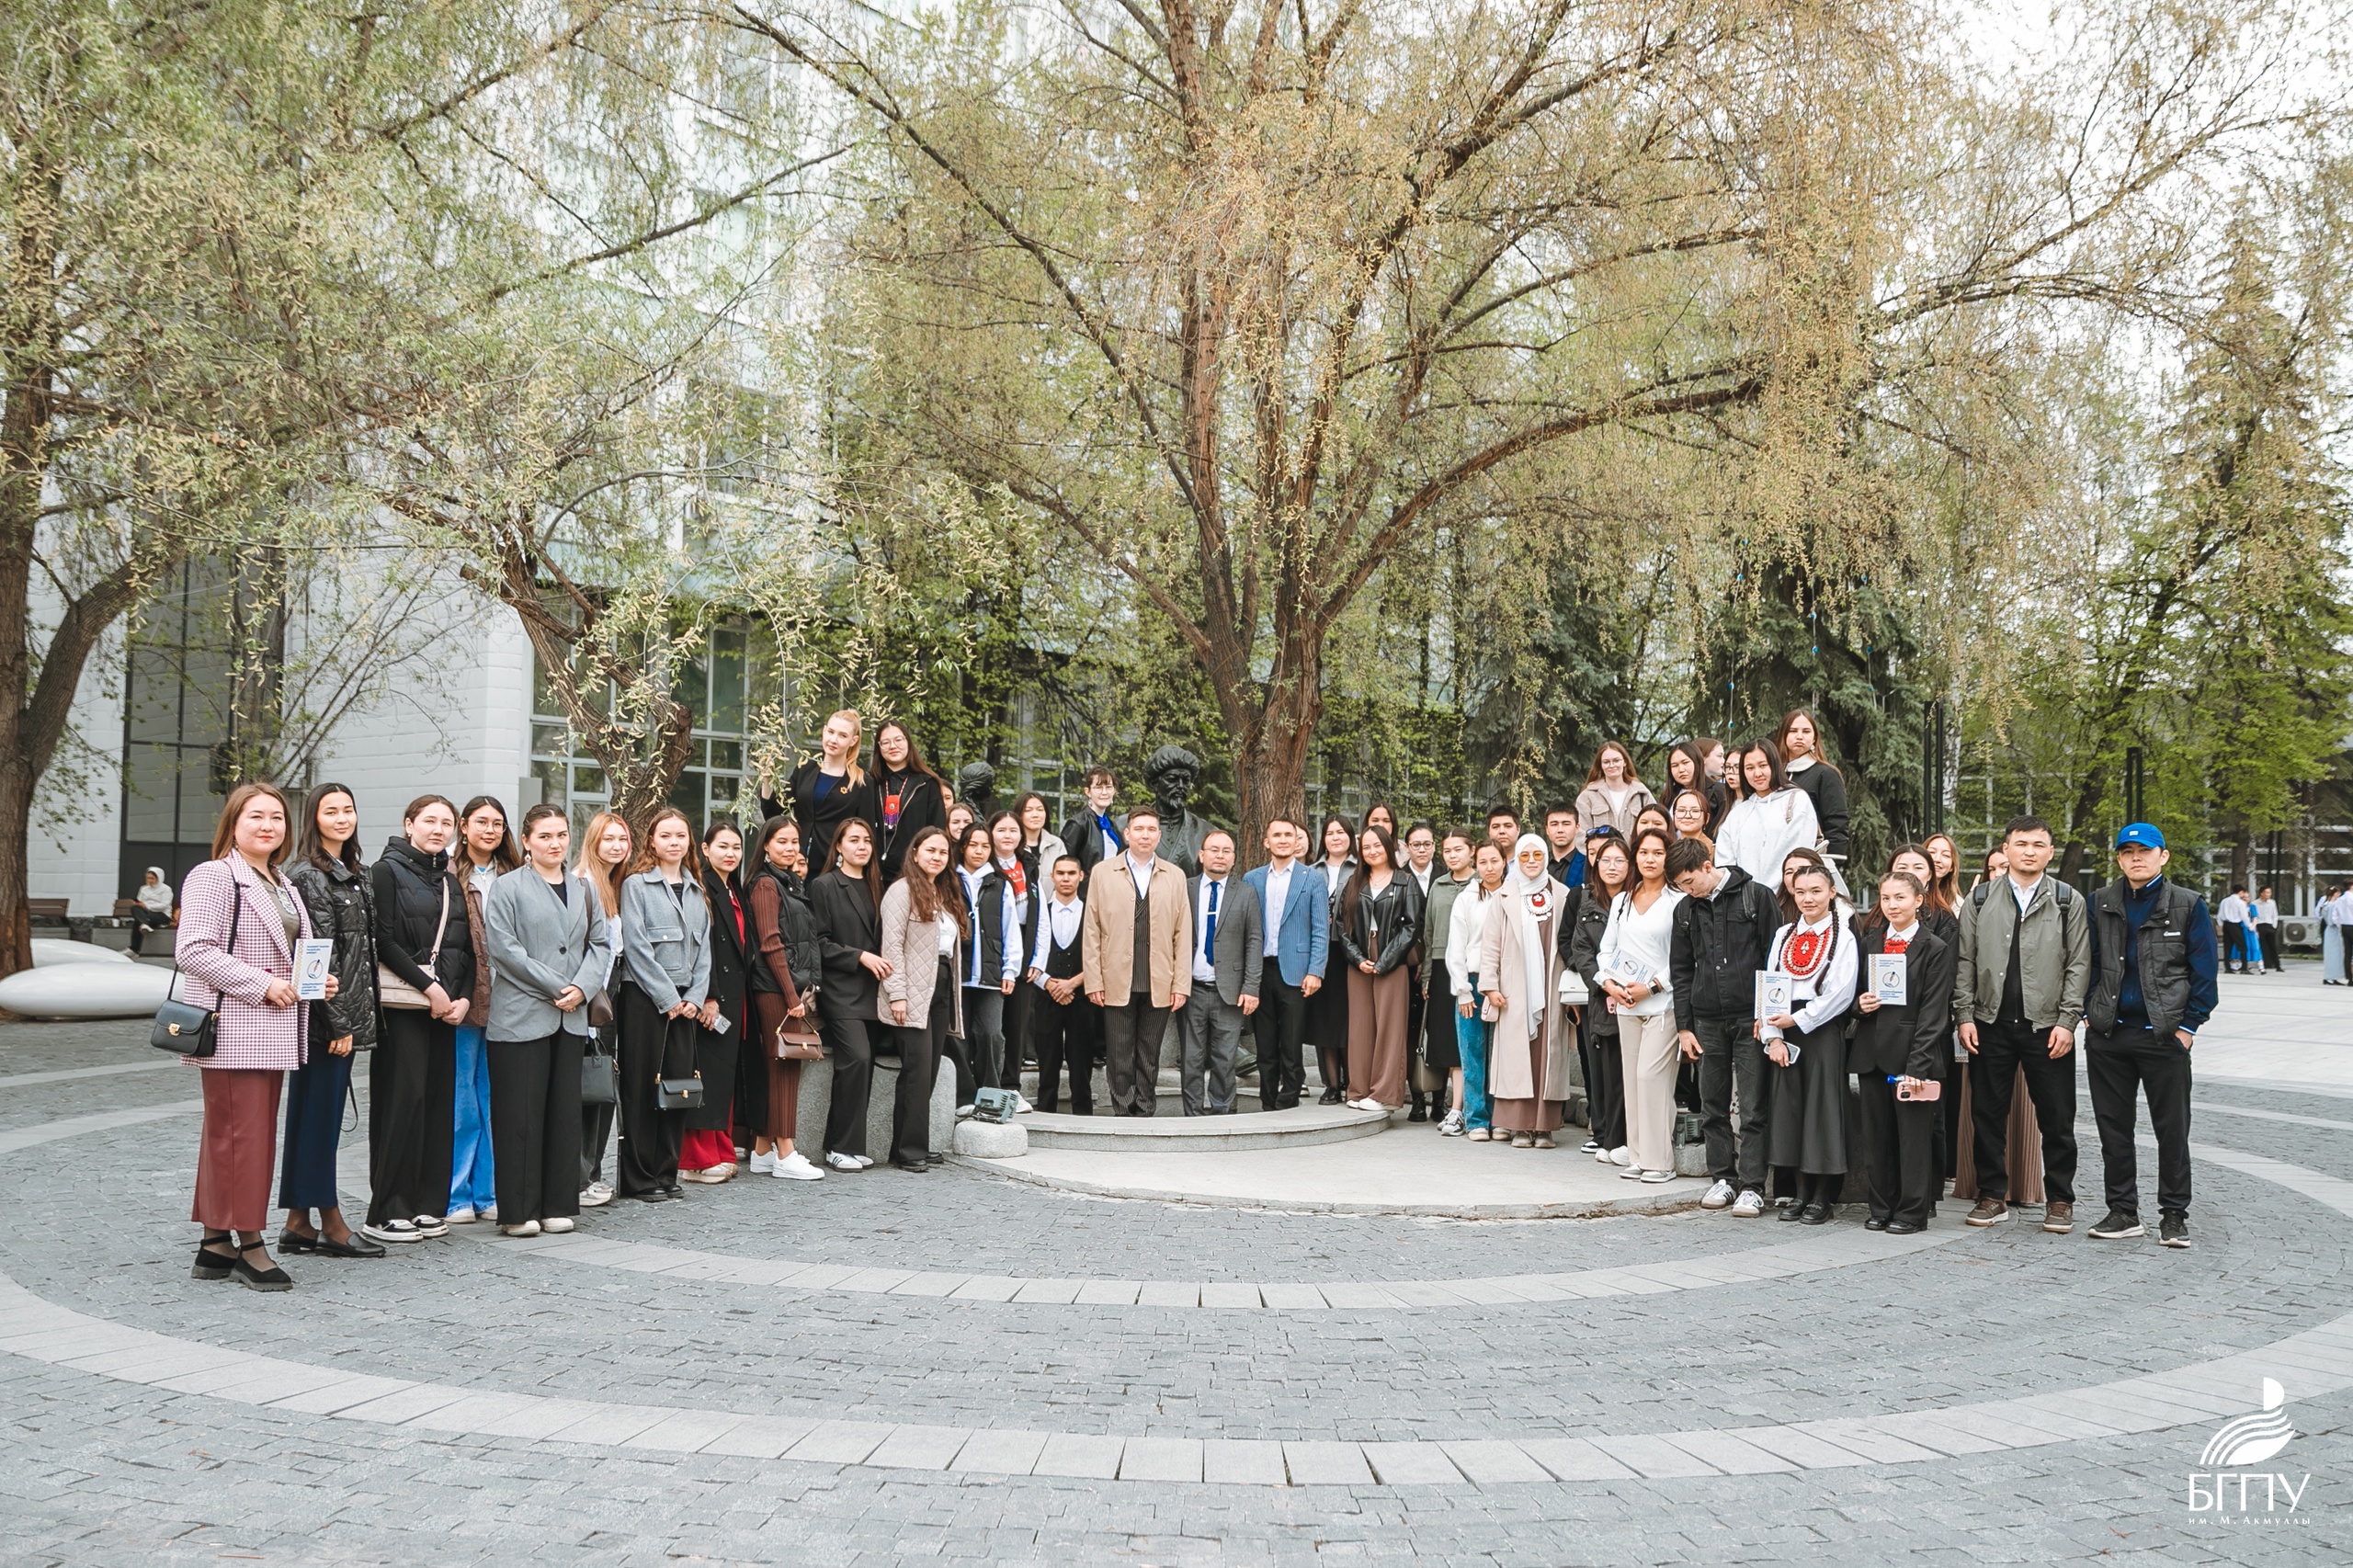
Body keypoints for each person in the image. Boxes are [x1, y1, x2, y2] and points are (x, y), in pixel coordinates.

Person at [176, 782, 322, 1292]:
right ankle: (250, 1244)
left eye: (277, 817)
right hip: (235, 1029)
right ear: (233, 824)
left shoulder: (282, 882)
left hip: (272, 1028)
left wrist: (313, 982)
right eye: (256, 816)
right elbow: (193, 950)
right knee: (244, 1138)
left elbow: (288, 953)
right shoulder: (215, 875)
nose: (268, 825)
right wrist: (263, 985)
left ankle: (216, 1242)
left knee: (235, 1136)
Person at [2083, 824, 2219, 1248]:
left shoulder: (2187, 904)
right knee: (2113, 1130)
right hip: (2109, 1036)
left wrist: (2188, 1027)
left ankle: (2174, 1216)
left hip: (2164, 1036)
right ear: (2119, 858)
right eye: (2127, 851)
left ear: (2163, 856)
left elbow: (2204, 971)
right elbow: (2087, 961)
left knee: (2172, 1130)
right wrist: (2090, 1012)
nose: (2136, 858)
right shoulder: (2100, 901)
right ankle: (2122, 1211)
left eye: (2145, 850)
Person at [1954, 815, 2089, 1233]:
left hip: (2047, 1027)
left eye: (2038, 845)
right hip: (1989, 1022)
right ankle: (1992, 1195)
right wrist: (1964, 1015)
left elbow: (2078, 963)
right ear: (2006, 850)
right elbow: (1965, 961)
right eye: (2021, 844)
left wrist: (2067, 1021)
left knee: (2057, 1118)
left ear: (2050, 852)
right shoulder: (1980, 899)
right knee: (1986, 1114)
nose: (2029, 851)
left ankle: (2060, 1199)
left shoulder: (2067, 900)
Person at [483, 804, 611, 1237]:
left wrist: (583, 987)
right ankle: (518, 1211)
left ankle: (558, 1203)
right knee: (519, 1117)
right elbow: (504, 950)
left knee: (563, 1115)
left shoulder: (583, 888)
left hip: (571, 1018)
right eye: (545, 836)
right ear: (526, 841)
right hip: (521, 1016)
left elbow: (600, 944)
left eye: (561, 835)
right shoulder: (507, 887)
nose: (555, 844)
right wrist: (560, 986)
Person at [279, 783, 382, 1260]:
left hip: (343, 1016)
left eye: (348, 810)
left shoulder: (353, 872)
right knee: (318, 1122)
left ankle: (297, 1223)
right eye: (331, 811)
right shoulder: (309, 875)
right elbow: (316, 955)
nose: (342, 818)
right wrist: (338, 1024)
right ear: (314, 818)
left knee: (314, 1118)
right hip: (325, 1022)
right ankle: (332, 1224)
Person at [365, 795, 473, 1246]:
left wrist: (463, 997)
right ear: (409, 824)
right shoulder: (385, 872)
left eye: (446, 822)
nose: (438, 829)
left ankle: (428, 1205)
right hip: (403, 1009)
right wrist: (430, 989)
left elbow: (465, 947)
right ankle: (389, 1209)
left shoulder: (450, 880)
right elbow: (383, 940)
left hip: (444, 1009)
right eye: (429, 820)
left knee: (436, 1105)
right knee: (401, 1104)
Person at [1666, 834, 1784, 1218]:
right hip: (1706, 1017)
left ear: (1707, 866)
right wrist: (1684, 1027)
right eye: (1681, 886)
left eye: (1690, 881)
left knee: (1752, 1106)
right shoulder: (1685, 910)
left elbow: (1773, 959)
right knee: (1711, 1104)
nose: (1689, 890)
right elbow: (1681, 970)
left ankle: (1752, 1186)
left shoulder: (1757, 896)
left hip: (1751, 1017)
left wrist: (1767, 1015)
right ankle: (1722, 1177)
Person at [1849, 869, 1956, 1233]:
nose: (1892, 905)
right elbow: (1853, 994)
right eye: (1886, 898)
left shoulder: (1935, 947)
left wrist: (1918, 1065)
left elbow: (1934, 1012)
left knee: (1912, 1140)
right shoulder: (1870, 941)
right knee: (1876, 1138)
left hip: (1914, 1056)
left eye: (1900, 897)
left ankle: (1912, 1211)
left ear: (1918, 900)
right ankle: (1881, 1206)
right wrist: (1859, 1005)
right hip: (1872, 1053)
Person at [616, 808, 712, 1202]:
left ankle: (666, 1172)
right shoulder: (636, 886)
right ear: (652, 842)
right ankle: (638, 1178)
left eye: (681, 835)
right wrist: (668, 998)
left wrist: (693, 998)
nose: (674, 842)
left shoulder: (696, 890)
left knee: (678, 1087)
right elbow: (636, 947)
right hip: (645, 999)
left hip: (685, 1004)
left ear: (690, 842)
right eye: (666, 836)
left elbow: (703, 953)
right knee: (641, 1088)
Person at [1758, 859, 1858, 1222]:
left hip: (1821, 1028)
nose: (1808, 898)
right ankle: (1799, 1193)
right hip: (1785, 1028)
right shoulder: (1784, 934)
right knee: (1791, 1110)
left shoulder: (1843, 937)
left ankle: (1822, 1196)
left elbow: (1842, 993)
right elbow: (1769, 986)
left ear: (1832, 892)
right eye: (1800, 892)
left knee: (1821, 1110)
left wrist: (1800, 1018)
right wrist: (1773, 1037)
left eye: (1816, 891)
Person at [1081, 806, 1193, 1117]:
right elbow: (1092, 930)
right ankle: (1122, 1109)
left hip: (1159, 978)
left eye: (1151, 829)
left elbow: (1183, 933)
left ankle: (1145, 1108)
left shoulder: (1174, 876)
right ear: (1127, 834)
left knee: (1149, 1051)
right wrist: (1094, 980)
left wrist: (1181, 984)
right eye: (1139, 829)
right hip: (1115, 977)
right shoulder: (1103, 873)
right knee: (1119, 1051)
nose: (1145, 835)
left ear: (1159, 835)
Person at [1595, 829, 1684, 1183]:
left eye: (1658, 853)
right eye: (1644, 852)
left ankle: (1660, 1161)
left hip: (1664, 1004)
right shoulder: (1622, 901)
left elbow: (1684, 957)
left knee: (1651, 1078)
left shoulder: (1678, 900)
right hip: (1626, 1003)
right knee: (1632, 1081)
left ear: (1668, 857)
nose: (1650, 859)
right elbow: (1606, 950)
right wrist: (1610, 985)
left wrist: (1653, 986)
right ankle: (1638, 1155)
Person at [745, 815, 828, 1179]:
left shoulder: (789, 881)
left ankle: (763, 1149)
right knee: (784, 1066)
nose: (790, 848)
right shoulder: (766, 884)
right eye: (782, 841)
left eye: (795, 841)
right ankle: (786, 1152)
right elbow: (770, 944)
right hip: (776, 989)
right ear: (766, 845)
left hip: (789, 987)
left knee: (780, 1065)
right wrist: (792, 994)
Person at [448, 796, 518, 1225]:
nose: (490, 830)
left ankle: (489, 1191)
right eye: (481, 822)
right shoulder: (449, 873)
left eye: (497, 823)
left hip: (511, 1001)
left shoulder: (516, 874)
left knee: (496, 1099)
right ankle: (456, 1194)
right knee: (462, 1100)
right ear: (464, 826)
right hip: (466, 997)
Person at [876, 825, 963, 1170]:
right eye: (931, 850)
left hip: (940, 985)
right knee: (916, 1070)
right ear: (915, 853)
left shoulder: (941, 892)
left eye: (943, 852)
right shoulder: (901, 891)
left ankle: (910, 1145)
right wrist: (897, 994)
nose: (937, 857)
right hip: (911, 990)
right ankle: (909, 1151)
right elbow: (891, 947)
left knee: (929, 1071)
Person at [1479, 835, 1574, 1148]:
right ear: (1516, 860)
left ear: (1546, 858)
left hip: (1550, 987)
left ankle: (1544, 1127)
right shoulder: (1504, 895)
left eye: (1537, 855)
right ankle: (1519, 1127)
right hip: (1514, 989)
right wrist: (1490, 986)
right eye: (1524, 856)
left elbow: (1570, 942)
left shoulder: (1562, 894)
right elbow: (1490, 944)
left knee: (1548, 1054)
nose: (1531, 861)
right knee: (1517, 1056)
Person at [809, 818, 891, 1169]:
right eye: (854, 840)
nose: (862, 846)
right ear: (839, 846)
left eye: (867, 840)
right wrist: (859, 956)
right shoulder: (824, 885)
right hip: (841, 990)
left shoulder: (879, 886)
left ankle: (850, 1146)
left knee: (865, 1066)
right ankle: (838, 1148)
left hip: (873, 992)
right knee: (856, 1058)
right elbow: (819, 942)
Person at [680, 819, 751, 1185]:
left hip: (735, 997)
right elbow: (702, 945)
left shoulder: (734, 888)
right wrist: (708, 995)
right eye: (722, 846)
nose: (731, 853)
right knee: (705, 1074)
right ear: (705, 849)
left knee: (723, 1077)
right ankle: (695, 1160)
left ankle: (721, 1149)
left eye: (736, 847)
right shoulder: (702, 886)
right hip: (713, 996)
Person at [1337, 823, 1422, 1112]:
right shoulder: (1354, 882)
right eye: (1366, 847)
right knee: (1360, 1027)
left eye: (1377, 845)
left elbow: (1411, 927)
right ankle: (1359, 1089)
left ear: (1388, 846)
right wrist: (1357, 958)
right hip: (1360, 959)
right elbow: (1342, 926)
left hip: (1392, 959)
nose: (1372, 851)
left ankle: (1385, 1095)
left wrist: (1385, 961)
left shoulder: (1405, 881)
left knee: (1390, 1027)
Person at [1245, 815, 1327, 1112]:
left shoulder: (1312, 878)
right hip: (1260, 970)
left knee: (1291, 1044)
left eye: (1288, 835)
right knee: (1265, 1044)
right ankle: (1268, 1102)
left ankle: (1289, 1099)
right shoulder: (1252, 879)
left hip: (1296, 971)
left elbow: (1320, 928)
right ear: (1267, 842)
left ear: (1297, 842)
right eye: (1277, 835)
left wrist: (1315, 971)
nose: (1282, 840)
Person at [1180, 828, 1263, 1115]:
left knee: (1225, 1059)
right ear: (1201, 855)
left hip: (1230, 991)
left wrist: (1251, 987)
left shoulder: (1246, 893)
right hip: (1190, 989)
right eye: (1214, 850)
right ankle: (1193, 1115)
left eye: (1226, 851)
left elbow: (1254, 941)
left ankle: (1222, 1114)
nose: (1220, 855)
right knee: (1191, 1058)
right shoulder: (1186, 888)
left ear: (1234, 858)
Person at [573, 811, 631, 1206]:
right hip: (589, 996)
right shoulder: (583, 883)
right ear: (593, 842)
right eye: (608, 839)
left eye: (622, 839)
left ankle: (592, 1173)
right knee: (585, 1088)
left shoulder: (613, 883)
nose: (616, 846)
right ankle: (579, 1178)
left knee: (600, 1086)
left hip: (609, 994)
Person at [1565, 835, 1633, 1166]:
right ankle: (1606, 1135)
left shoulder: (1638, 898)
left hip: (1635, 993)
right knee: (1603, 1069)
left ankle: (1623, 1138)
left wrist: (1623, 984)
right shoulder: (1587, 899)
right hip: (1599, 994)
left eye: (1619, 860)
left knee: (1625, 1070)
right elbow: (1580, 949)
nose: (1611, 866)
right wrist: (1603, 984)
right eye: (1605, 860)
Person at [762, 710, 877, 877]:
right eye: (830, 732)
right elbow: (773, 813)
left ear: (853, 740)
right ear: (824, 731)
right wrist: (767, 779)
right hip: (797, 864)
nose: (833, 740)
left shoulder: (861, 781)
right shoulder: (805, 769)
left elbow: (867, 832)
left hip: (834, 867)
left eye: (842, 735)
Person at [953, 822, 1020, 1105]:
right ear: (963, 848)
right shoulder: (949, 881)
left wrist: (1010, 969)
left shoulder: (999, 884)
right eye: (973, 845)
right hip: (957, 974)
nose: (979, 851)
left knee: (991, 1033)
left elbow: (1011, 928)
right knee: (958, 1036)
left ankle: (991, 1094)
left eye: (985, 846)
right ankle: (963, 1098)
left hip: (991, 973)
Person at [1027, 854, 1097, 1114]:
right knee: (1047, 1062)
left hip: (1082, 998)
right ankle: (1046, 1114)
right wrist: (1048, 983)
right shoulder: (1039, 913)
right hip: (1045, 996)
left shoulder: (1092, 913)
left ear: (1081, 876)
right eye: (1060, 873)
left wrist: (1073, 984)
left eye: (1071, 873)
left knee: (1082, 1063)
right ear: (1052, 876)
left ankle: (1084, 1118)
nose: (1066, 878)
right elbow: (1028, 951)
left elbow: (1102, 954)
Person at [1447, 841, 1507, 1140]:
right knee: (1472, 1052)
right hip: (1472, 982)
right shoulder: (1466, 899)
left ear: (1505, 861)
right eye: (1483, 862)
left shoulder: (1513, 895)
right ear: (1476, 864)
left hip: (1505, 983)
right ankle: (1476, 1120)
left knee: (1501, 1054)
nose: (1489, 867)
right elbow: (1456, 947)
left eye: (1494, 860)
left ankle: (1501, 1118)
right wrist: (1462, 990)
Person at [1713, 739, 1820, 892]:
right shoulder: (1738, 813)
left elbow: (1799, 852)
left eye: (1763, 765)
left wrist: (1772, 895)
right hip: (1746, 901)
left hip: (1787, 897)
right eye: (1750, 768)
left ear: (1774, 765)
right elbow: (1725, 863)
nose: (1757, 773)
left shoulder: (1796, 800)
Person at [1421, 831, 1474, 1135]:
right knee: (1447, 1042)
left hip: (1471, 967)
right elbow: (1429, 933)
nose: (1453, 855)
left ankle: (1462, 1109)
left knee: (1467, 1039)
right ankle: (1455, 1108)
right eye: (1448, 851)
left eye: (1458, 850)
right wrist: (1427, 974)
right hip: (1442, 967)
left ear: (1472, 851)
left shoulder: (1481, 884)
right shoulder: (1438, 885)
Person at [988, 810, 1040, 1109]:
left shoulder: (1028, 866)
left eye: (1013, 830)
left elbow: (1040, 916)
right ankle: (987, 1084)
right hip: (992, 948)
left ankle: (1011, 1085)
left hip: (1024, 948)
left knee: (1017, 1025)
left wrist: (1038, 958)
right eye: (1001, 830)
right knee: (990, 1026)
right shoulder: (984, 866)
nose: (1007, 836)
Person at [1305, 815, 1357, 1102]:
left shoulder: (1362, 868)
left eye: (1341, 832)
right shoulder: (1312, 871)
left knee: (1349, 1020)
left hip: (1350, 952)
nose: (1335, 837)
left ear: (1351, 837)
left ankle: (1353, 1082)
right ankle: (1332, 1084)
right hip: (1320, 953)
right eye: (1330, 833)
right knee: (1325, 1021)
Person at [870, 721, 949, 881]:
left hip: (913, 873)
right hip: (873, 873)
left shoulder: (927, 784)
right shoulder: (870, 783)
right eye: (886, 742)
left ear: (908, 742)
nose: (893, 746)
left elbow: (937, 830)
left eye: (898, 740)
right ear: (879, 747)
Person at [1774, 709, 1850, 870]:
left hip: (1813, 865)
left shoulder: (1826, 774)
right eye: (1793, 731)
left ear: (1814, 737)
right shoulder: (1774, 776)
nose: (1799, 736)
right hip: (1776, 862)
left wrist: (1829, 866)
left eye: (1806, 731)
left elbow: (1837, 823)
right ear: (1784, 735)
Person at [1576, 743, 1658, 839]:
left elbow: (1657, 827)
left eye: (1616, 760)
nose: (1611, 765)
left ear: (1625, 762)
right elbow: (1581, 835)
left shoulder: (1642, 794)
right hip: (1600, 850)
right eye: (1606, 762)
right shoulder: (1587, 797)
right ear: (1601, 765)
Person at [1061, 766, 1126, 873]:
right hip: (1088, 883)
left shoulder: (1112, 826)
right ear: (1088, 792)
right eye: (1098, 787)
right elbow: (1064, 863)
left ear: (1114, 790)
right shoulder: (1078, 824)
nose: (1104, 792)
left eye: (1109, 787)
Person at [1667, 741, 1727, 833]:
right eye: (1674, 765)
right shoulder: (1669, 796)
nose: (1681, 770)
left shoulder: (1719, 792)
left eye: (1685, 762)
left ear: (1698, 762)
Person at [1014, 790, 1072, 883]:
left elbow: (1064, 878)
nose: (1035, 815)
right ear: (1019, 815)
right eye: (1028, 810)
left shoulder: (1057, 844)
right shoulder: (1012, 845)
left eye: (1040, 810)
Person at [131, 865, 176, 953]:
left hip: (162, 915)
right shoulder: (143, 889)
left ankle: (134, 950)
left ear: (159, 878)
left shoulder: (166, 889)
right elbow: (140, 902)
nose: (150, 881)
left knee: (137, 923)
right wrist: (141, 905)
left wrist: (146, 906)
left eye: (152, 878)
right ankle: (144, 924)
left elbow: (164, 905)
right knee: (135, 908)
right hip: (146, 914)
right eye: (148, 878)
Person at [1541, 804, 1582, 888]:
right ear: (1547, 829)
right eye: (1554, 824)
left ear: (1577, 828)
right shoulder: (1539, 863)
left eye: (1566, 824)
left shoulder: (1588, 866)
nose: (1560, 830)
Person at [2215, 885, 2251, 974]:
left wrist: (2221, 925)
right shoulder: (2240, 903)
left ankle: (2228, 968)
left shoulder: (2224, 901)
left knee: (2227, 947)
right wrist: (2250, 926)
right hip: (2235, 925)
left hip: (2226, 925)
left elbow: (2219, 915)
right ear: (2241, 892)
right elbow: (2244, 916)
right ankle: (2244, 968)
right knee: (2242, 947)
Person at [2254, 886, 2282, 973]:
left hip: (2269, 925)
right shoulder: (2254, 903)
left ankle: (2277, 965)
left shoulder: (2272, 903)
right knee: (2262, 946)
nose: (2269, 894)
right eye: (2267, 892)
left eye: (2270, 892)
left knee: (2273, 946)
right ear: (2261, 893)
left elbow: (2275, 915)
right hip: (2260, 925)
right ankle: (2264, 965)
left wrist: (2274, 926)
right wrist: (2255, 929)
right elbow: (2253, 917)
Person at [2325, 883, 2348, 985]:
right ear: (2335, 893)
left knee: (2334, 954)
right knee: (2333, 954)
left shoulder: (2326, 904)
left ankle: (2332, 976)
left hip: (2331, 931)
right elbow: (2332, 920)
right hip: (2333, 931)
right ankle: (2330, 977)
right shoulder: (2332, 905)